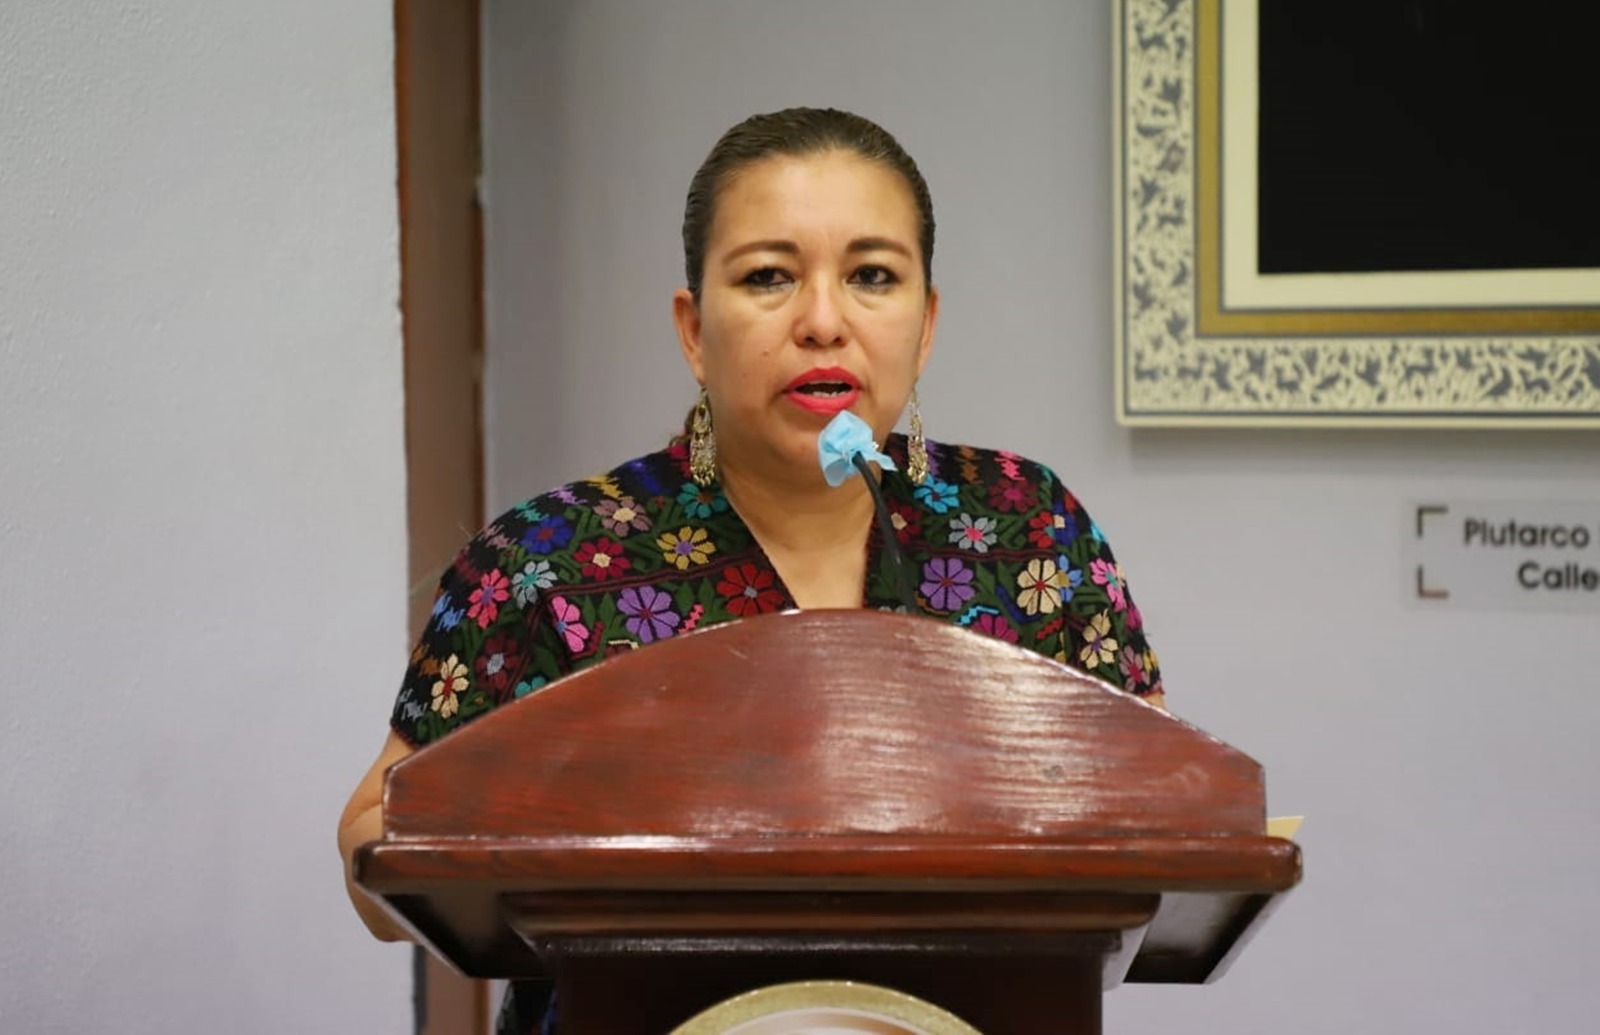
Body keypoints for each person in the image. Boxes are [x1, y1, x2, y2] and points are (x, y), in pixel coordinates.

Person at [338, 106, 1165, 1034]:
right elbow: (378, 848)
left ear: (925, 324)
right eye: (769, 276)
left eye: (873, 276)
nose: (823, 321)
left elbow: (1165, 800)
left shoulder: (1028, 532)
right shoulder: (551, 562)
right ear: (694, 329)